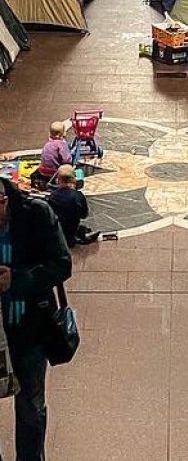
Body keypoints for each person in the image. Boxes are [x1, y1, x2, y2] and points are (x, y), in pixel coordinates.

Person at [0, 175, 71, 461]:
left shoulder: (36, 214)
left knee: (30, 404)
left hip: (28, 327)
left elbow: (61, 265)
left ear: (4, 200)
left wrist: (16, 280)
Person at [48, 165, 100, 247]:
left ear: (58, 180)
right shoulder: (78, 196)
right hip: (72, 230)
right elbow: (84, 215)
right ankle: (79, 235)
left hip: (57, 232)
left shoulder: (52, 196)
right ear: (74, 179)